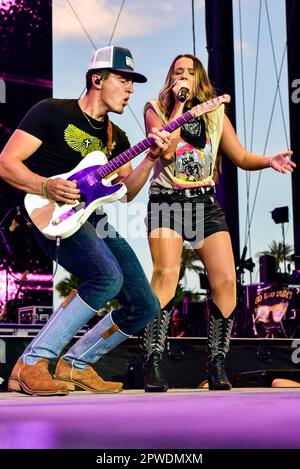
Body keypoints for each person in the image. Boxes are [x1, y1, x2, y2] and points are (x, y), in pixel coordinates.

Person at [0, 45, 171, 396]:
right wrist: (46, 185)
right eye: (123, 80)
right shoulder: (50, 112)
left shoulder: (117, 138)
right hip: (50, 214)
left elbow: (126, 192)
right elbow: (7, 162)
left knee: (145, 305)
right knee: (106, 277)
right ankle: (31, 363)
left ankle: (77, 363)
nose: (130, 89)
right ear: (97, 79)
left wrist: (149, 160)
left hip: (94, 219)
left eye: (132, 83)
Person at [142, 53, 295, 392]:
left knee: (226, 280)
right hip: (168, 201)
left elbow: (239, 156)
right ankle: (153, 360)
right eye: (178, 72)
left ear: (201, 80)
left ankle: (217, 362)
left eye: (190, 73)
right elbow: (165, 153)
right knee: (166, 275)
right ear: (171, 78)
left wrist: (270, 160)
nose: (184, 77)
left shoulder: (216, 112)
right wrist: (180, 106)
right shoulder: (156, 108)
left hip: (204, 203)